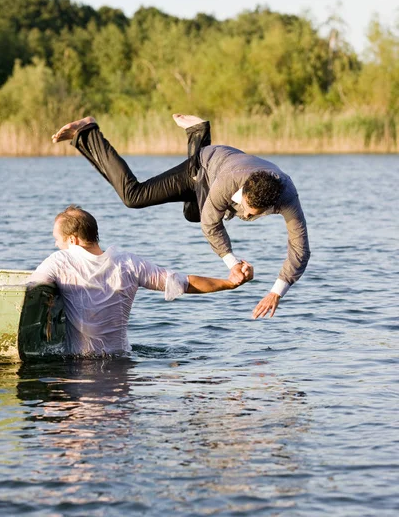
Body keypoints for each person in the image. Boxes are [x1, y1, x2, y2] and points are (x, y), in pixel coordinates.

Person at [52, 114, 310, 319]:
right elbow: (211, 225)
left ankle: (198, 132)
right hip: (204, 167)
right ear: (243, 192)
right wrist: (232, 264)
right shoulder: (228, 183)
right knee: (134, 196)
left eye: (252, 215)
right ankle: (89, 131)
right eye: (244, 208)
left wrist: (276, 292)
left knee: (191, 214)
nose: (244, 215)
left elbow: (300, 249)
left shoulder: (288, 197)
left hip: (228, 167)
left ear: (271, 206)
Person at [28, 205, 253, 357]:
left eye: (57, 239)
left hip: (81, 365)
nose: (56, 244)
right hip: (122, 360)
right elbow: (182, 282)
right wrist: (229, 282)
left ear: (72, 240)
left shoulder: (60, 261)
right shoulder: (128, 263)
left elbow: (27, 292)